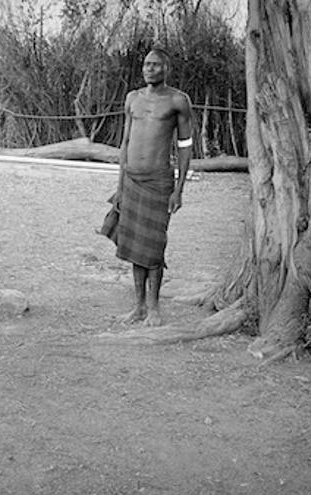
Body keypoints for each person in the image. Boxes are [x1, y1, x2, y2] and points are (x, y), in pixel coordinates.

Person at [115, 48, 193, 327]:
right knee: (137, 246)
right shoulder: (132, 99)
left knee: (154, 245)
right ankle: (137, 307)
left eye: (156, 65)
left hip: (159, 182)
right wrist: (120, 184)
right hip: (132, 179)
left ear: (165, 69)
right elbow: (124, 143)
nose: (150, 69)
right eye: (146, 64)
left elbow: (185, 146)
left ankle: (155, 307)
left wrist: (179, 189)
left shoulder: (178, 101)